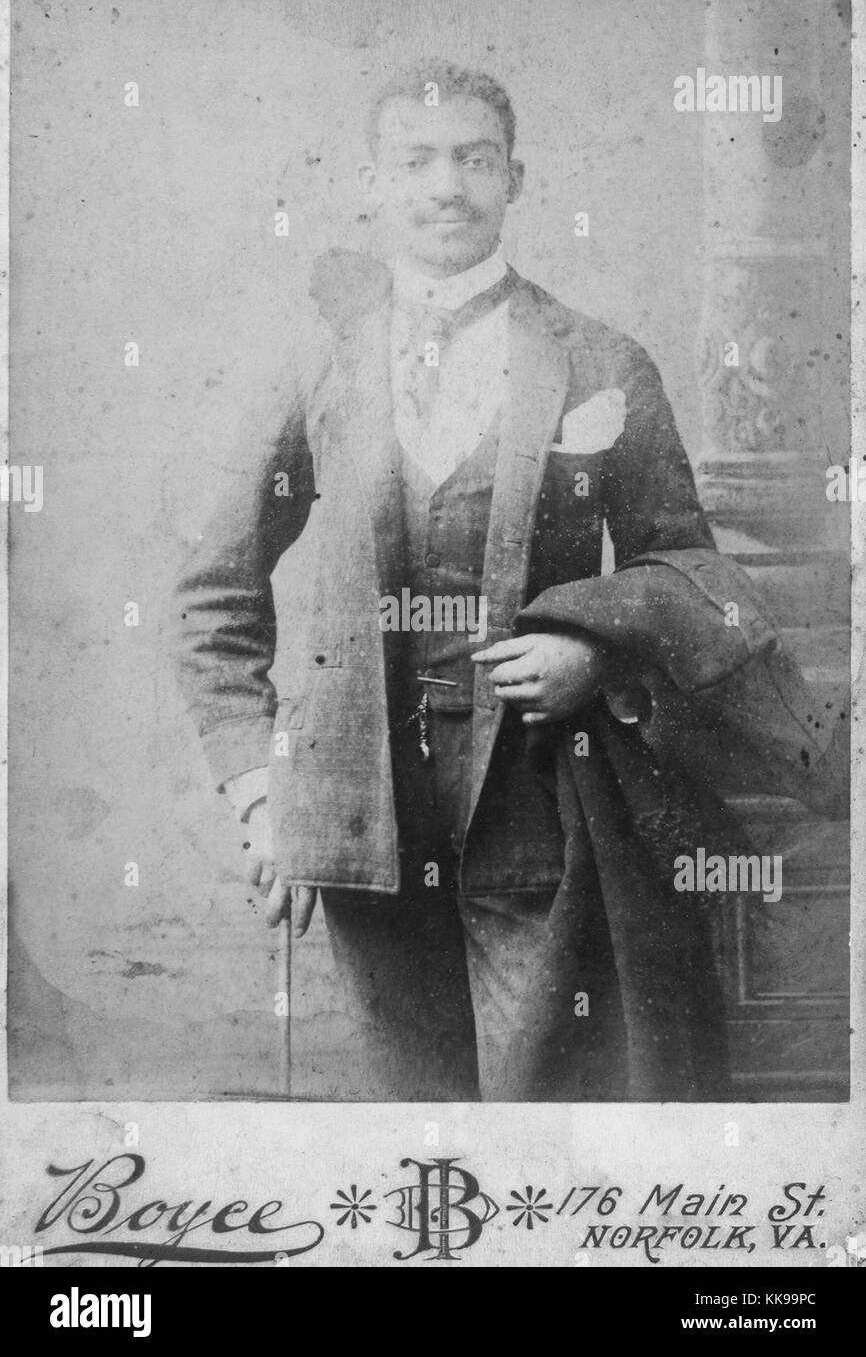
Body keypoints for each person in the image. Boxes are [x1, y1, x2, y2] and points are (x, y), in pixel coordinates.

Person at [173, 60, 837, 1102]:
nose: (447, 186)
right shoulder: (314, 366)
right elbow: (213, 597)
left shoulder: (600, 360)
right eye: (416, 161)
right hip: (359, 809)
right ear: (372, 184)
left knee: (549, 1112)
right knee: (416, 1127)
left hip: (542, 798)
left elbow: (690, 569)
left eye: (475, 159)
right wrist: (263, 794)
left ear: (515, 179)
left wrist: (594, 647)